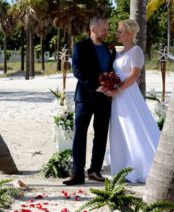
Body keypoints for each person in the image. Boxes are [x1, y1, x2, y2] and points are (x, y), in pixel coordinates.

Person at [100, 19, 160, 183]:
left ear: (129, 34)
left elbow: (134, 75)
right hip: (117, 97)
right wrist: (108, 85)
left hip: (128, 94)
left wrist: (117, 89)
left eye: (120, 31)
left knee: (134, 127)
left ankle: (140, 166)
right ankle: (123, 167)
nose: (117, 34)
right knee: (120, 130)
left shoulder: (136, 51)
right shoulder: (118, 53)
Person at [62, 17, 116, 186]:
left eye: (107, 29)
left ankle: (94, 170)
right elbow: (77, 71)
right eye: (104, 29)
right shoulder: (80, 46)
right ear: (93, 29)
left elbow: (113, 70)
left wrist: (112, 86)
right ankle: (77, 173)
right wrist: (95, 86)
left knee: (101, 135)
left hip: (105, 99)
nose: (106, 32)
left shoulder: (110, 49)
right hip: (85, 98)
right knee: (80, 134)